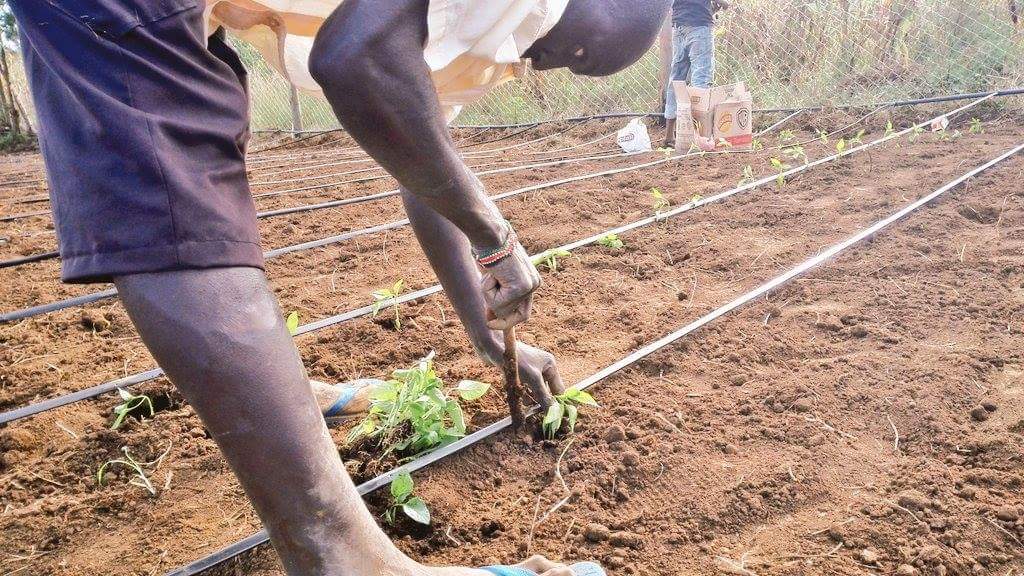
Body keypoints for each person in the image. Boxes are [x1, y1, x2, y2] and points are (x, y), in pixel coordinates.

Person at [9, 0, 669, 574]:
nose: (556, 63)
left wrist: (490, 339)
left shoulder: (482, 28)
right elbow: (349, 58)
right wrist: (497, 237)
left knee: (191, 149)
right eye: (584, 55)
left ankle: (287, 400)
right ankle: (339, 556)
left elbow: (423, 167)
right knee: (171, 175)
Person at [661, 0, 728, 148]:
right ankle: (701, 137)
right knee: (701, 79)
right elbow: (722, 3)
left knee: (676, 79)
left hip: (678, 26)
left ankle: (669, 135)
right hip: (699, 25)